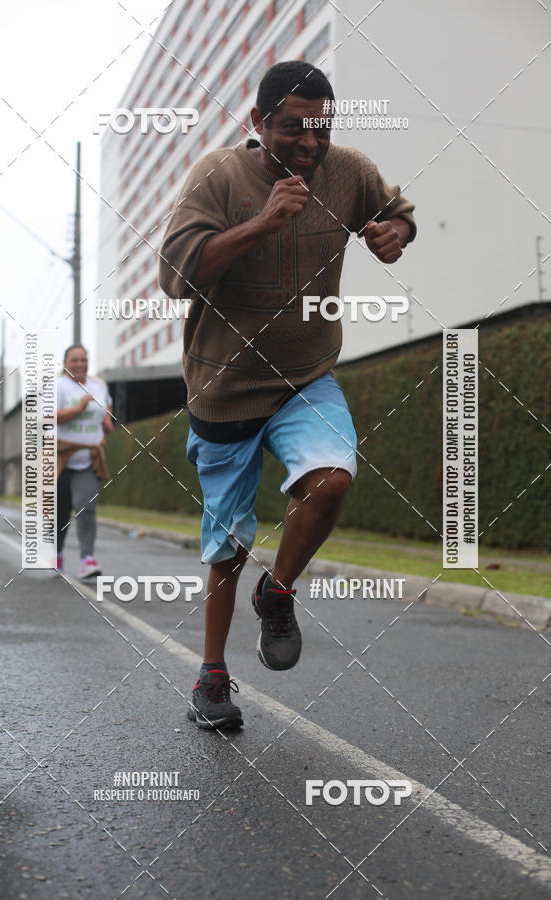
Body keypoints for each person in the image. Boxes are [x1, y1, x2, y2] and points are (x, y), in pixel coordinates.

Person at [159, 60, 416, 730]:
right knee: (227, 545)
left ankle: (278, 594)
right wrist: (259, 225)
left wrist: (397, 233)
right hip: (224, 386)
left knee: (331, 483)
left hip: (306, 374)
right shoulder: (220, 177)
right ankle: (212, 677)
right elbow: (175, 276)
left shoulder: (349, 171)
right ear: (258, 123)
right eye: (292, 128)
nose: (309, 142)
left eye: (320, 128)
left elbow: (394, 213)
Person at [56, 344, 113, 578]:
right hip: (60, 459)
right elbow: (47, 418)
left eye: (83, 360)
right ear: (65, 363)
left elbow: (107, 407)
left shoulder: (99, 385)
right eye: (74, 360)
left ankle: (87, 560)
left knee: (86, 508)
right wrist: (79, 408)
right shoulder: (57, 386)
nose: (79, 364)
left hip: (89, 459)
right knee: (59, 513)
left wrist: (107, 422)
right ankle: (56, 554)